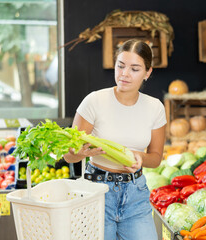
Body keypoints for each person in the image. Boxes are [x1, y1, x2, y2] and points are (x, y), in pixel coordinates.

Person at [64, 39, 166, 240]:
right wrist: (80, 153)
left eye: (135, 69)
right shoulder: (94, 101)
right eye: (120, 66)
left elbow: (155, 158)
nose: (124, 74)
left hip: (135, 194)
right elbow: (68, 156)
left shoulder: (155, 108)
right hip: (97, 192)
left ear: (148, 72)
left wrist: (139, 158)